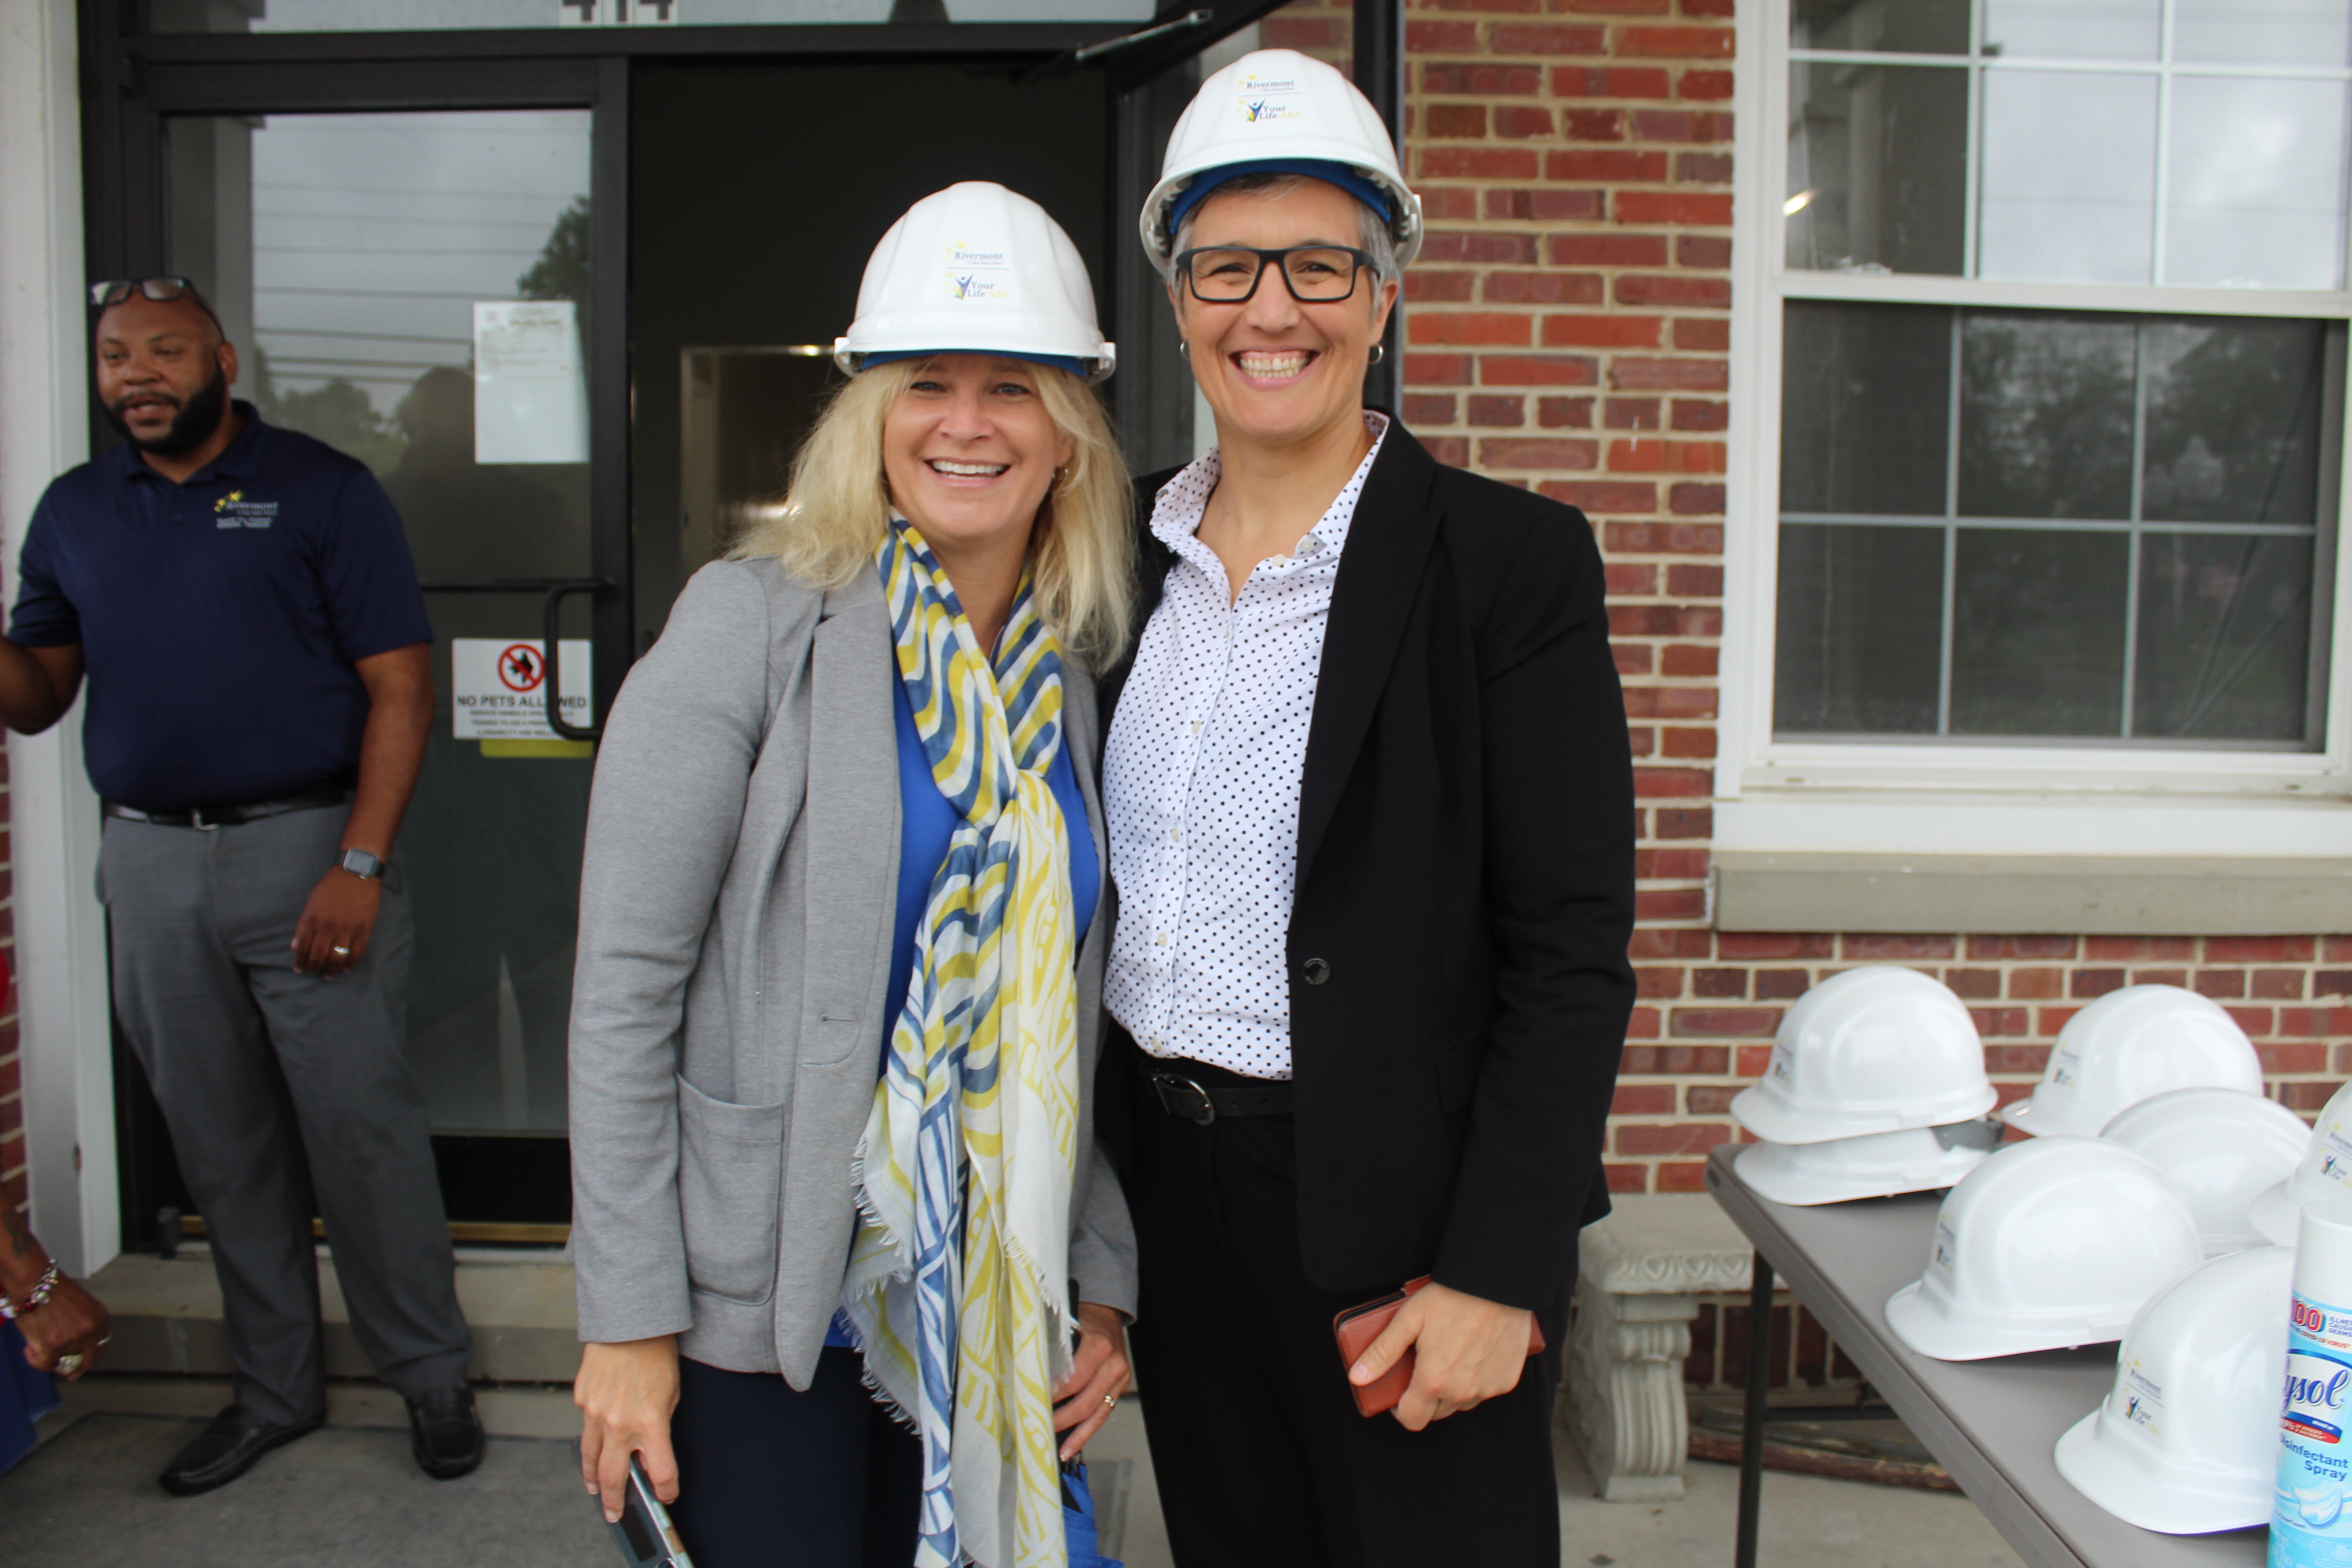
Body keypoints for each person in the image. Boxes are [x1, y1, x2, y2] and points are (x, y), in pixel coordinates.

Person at [1097, 49, 1638, 1568]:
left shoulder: (1507, 567)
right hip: (1172, 1198)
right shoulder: (1115, 556)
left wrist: (1501, 1270)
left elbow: (1572, 946)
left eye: (1320, 266)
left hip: (1403, 1227)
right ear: (1180, 298)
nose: (1273, 310)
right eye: (1228, 269)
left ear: (1384, 294)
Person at [567, 182, 1139, 1568]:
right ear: (867, 416)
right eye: (926, 383)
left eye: (1015, 387)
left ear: (1068, 438)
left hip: (991, 1301)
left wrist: (1100, 1285)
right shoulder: (748, 627)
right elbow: (625, 993)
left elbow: (1064, 1011)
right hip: (763, 1303)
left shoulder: (1057, 685)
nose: (967, 421)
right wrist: (627, 1321)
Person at [0, 278, 481, 1494]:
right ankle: (274, 1393)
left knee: (361, 1133)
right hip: (149, 858)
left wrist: (360, 864)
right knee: (220, 1147)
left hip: (309, 849)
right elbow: (35, 696)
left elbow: (400, 688)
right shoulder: (71, 512)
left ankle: (431, 1377)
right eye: (116, 358)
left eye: (165, 351)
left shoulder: (321, 488)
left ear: (221, 357)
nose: (137, 375)